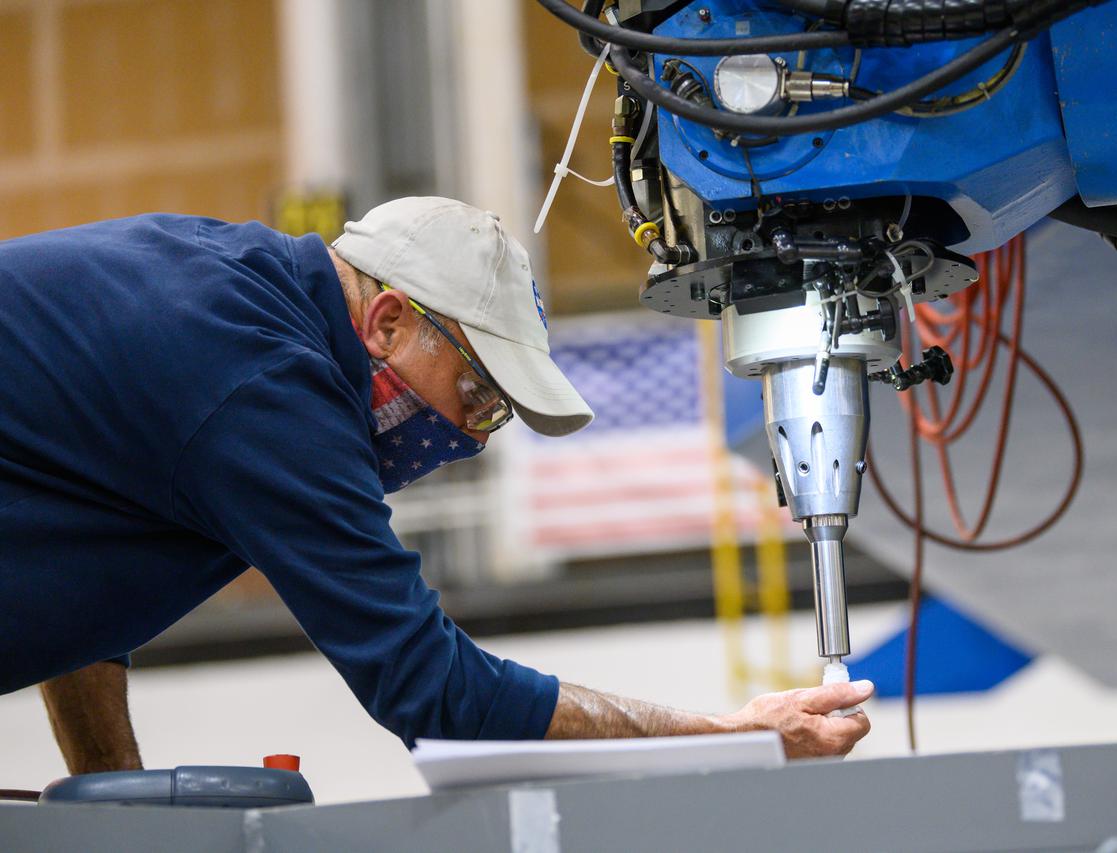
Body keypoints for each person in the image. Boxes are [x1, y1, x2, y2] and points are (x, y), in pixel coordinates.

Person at [0, 197, 873, 775]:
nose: (468, 434)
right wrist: (735, 735)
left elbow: (84, 583)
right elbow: (432, 691)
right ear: (387, 322)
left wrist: (112, 798)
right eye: (477, 394)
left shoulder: (227, 300)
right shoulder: (264, 386)